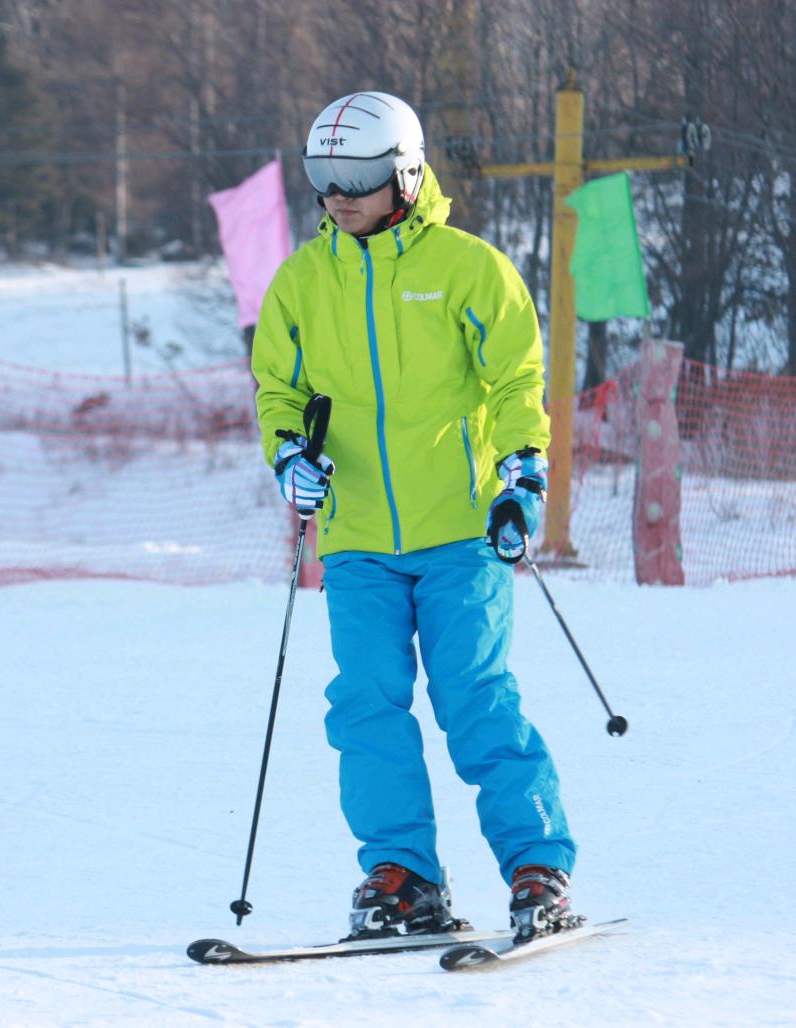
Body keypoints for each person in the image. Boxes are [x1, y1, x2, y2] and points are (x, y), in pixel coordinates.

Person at [251, 91, 577, 943]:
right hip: (358, 539)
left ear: (404, 169)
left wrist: (519, 474)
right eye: (323, 177)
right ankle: (402, 876)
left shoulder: (470, 269)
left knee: (475, 698)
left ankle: (538, 865)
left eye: (357, 175)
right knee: (365, 704)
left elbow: (514, 382)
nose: (338, 194)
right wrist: (290, 457)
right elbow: (279, 393)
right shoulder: (300, 283)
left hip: (461, 530)